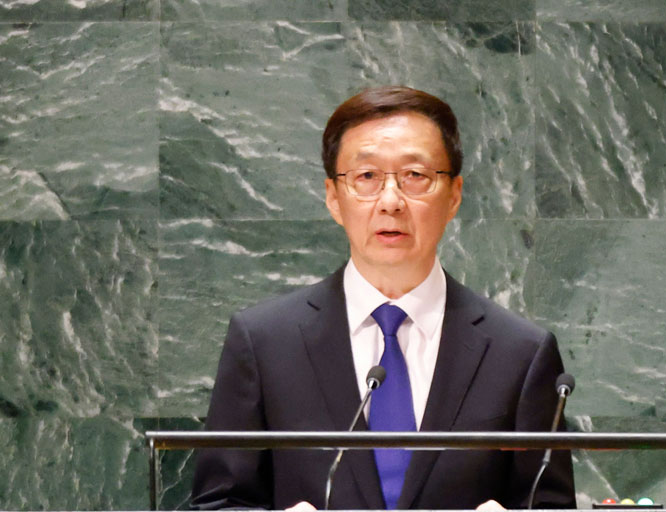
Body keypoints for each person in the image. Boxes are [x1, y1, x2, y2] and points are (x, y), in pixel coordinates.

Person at [191, 86, 576, 510]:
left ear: (454, 195)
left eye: (415, 176)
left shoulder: (520, 353)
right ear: (333, 197)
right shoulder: (265, 342)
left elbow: (550, 506)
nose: (391, 201)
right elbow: (219, 502)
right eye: (367, 177)